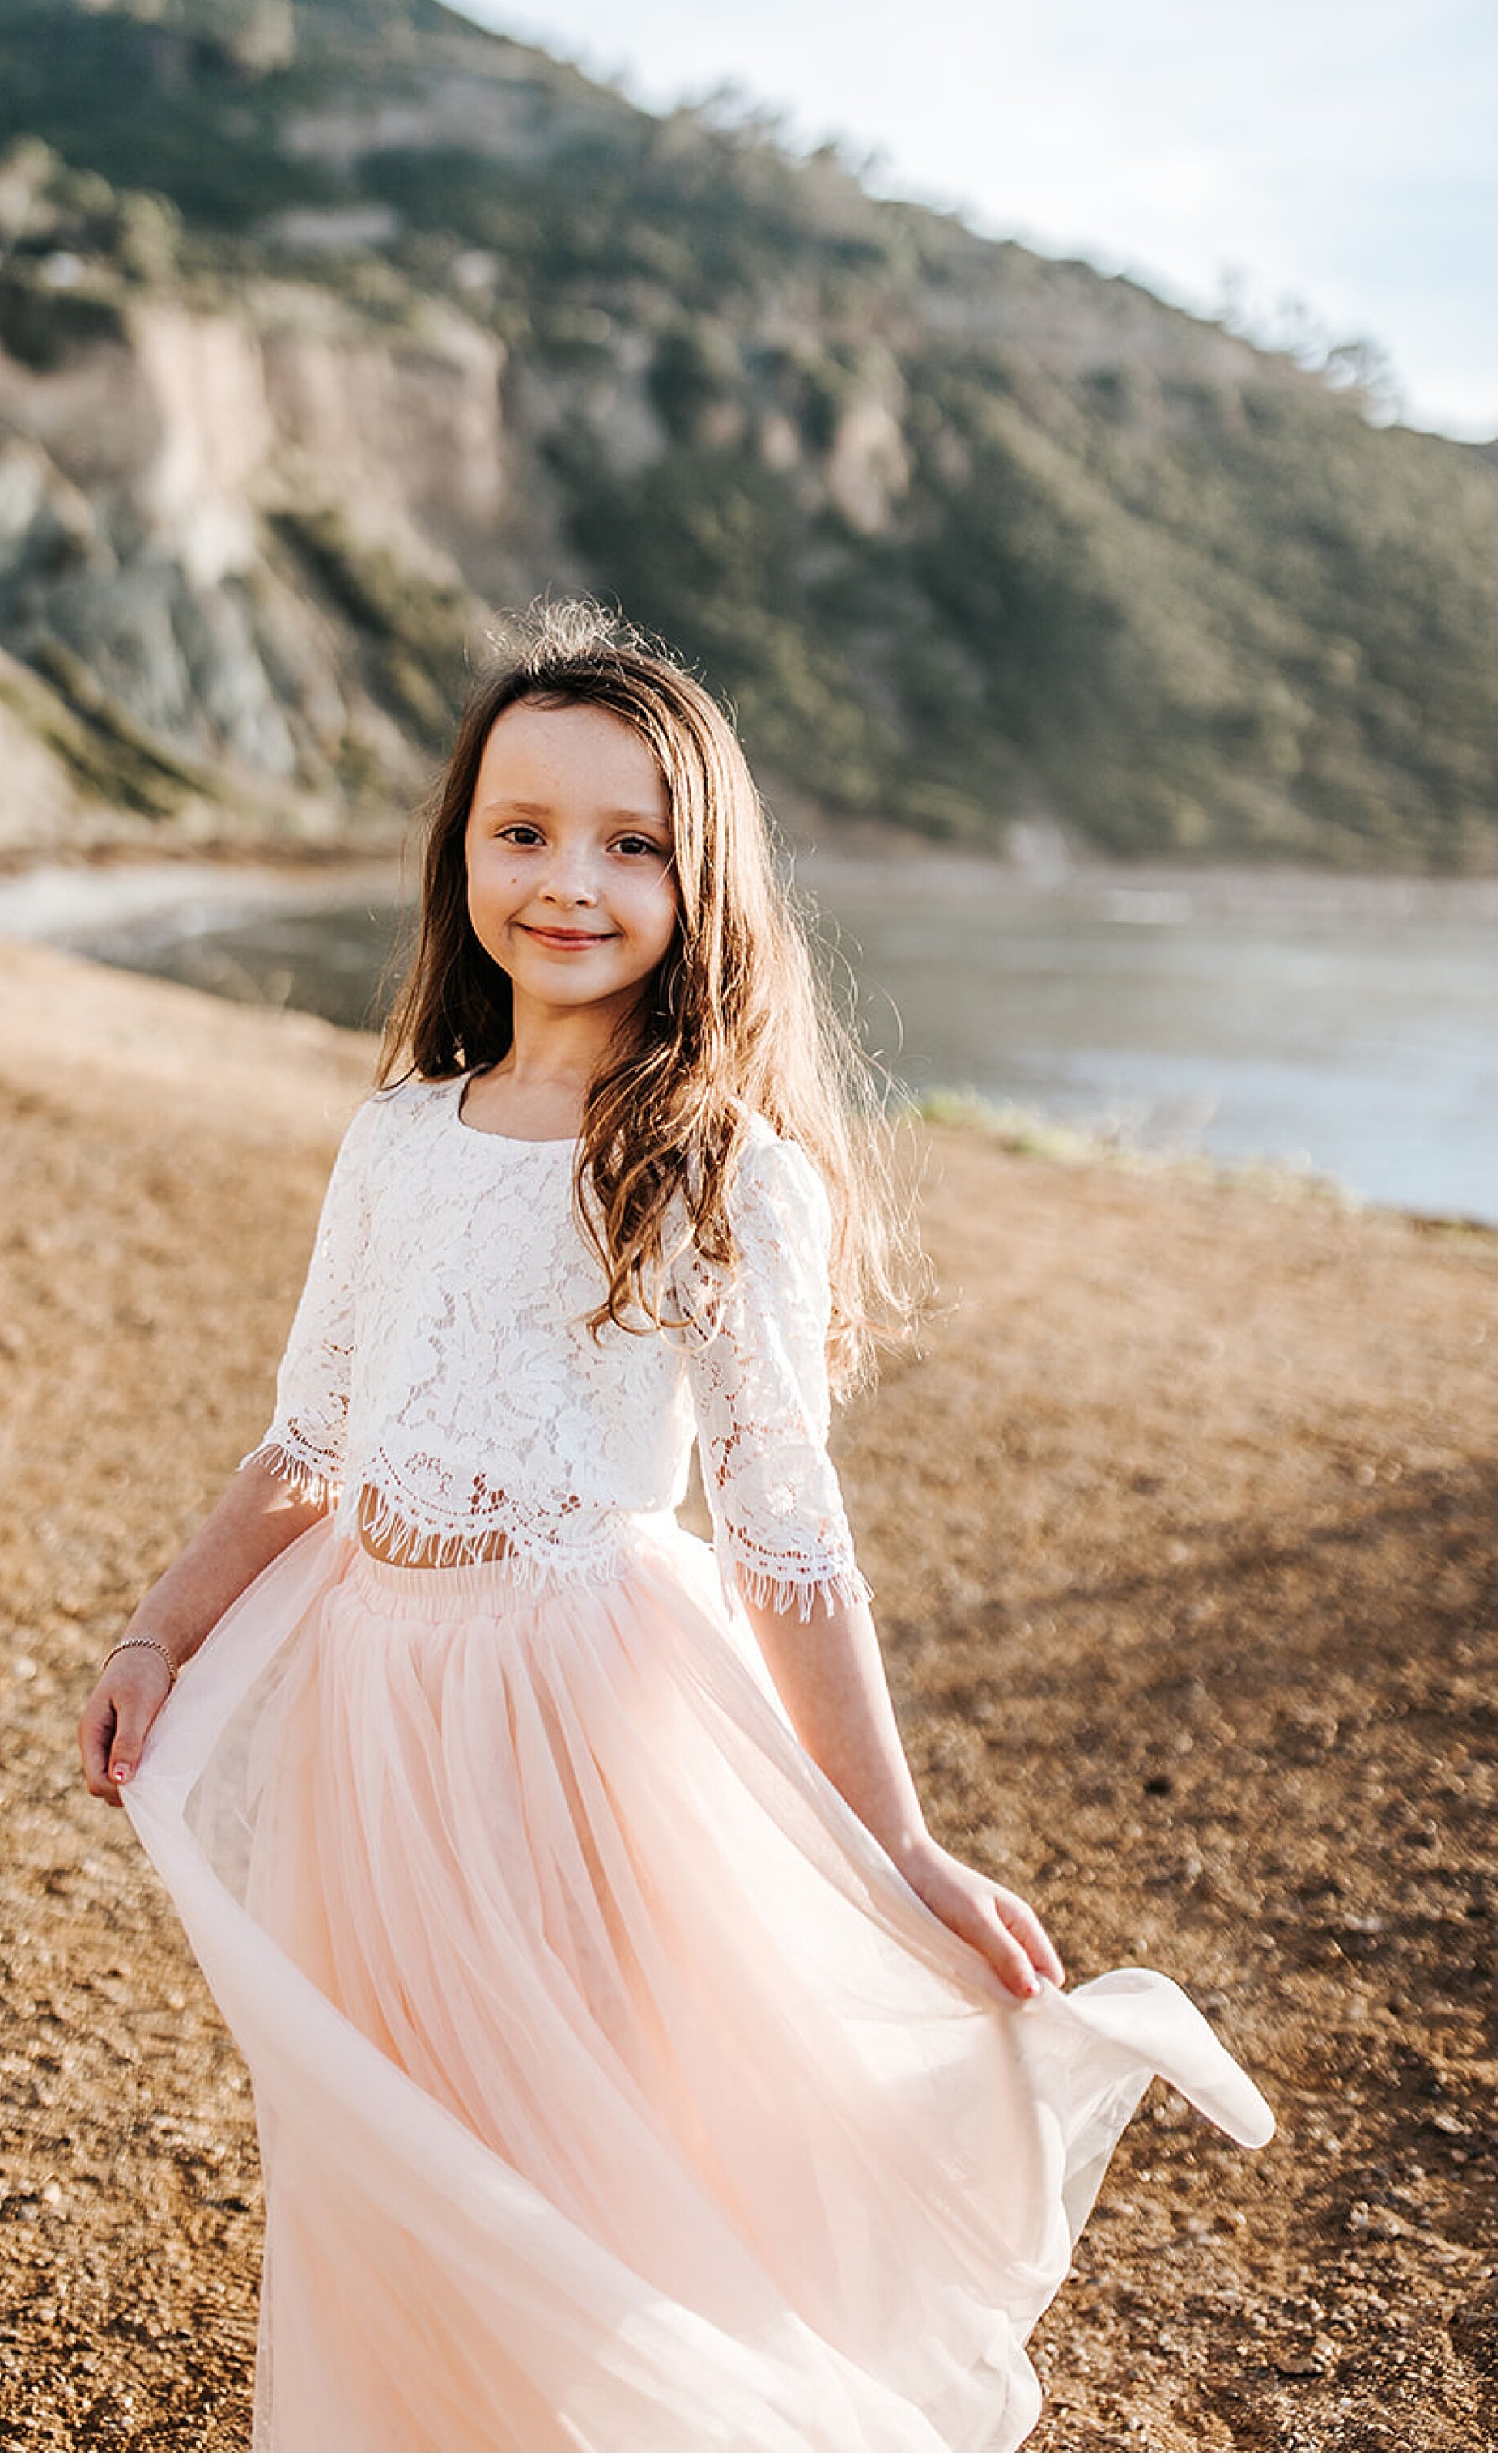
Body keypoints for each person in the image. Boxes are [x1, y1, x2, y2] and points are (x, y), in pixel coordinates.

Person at [78, 606, 1273, 2452]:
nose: (570, 880)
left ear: (700, 878)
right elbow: (306, 1434)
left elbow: (787, 1531)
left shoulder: (717, 1167)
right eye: (523, 830)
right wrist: (163, 1626)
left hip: (577, 1714)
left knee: (567, 2160)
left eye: (632, 842)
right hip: (368, 1709)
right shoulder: (396, 1134)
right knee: (395, 2147)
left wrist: (900, 1841)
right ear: (461, 851)